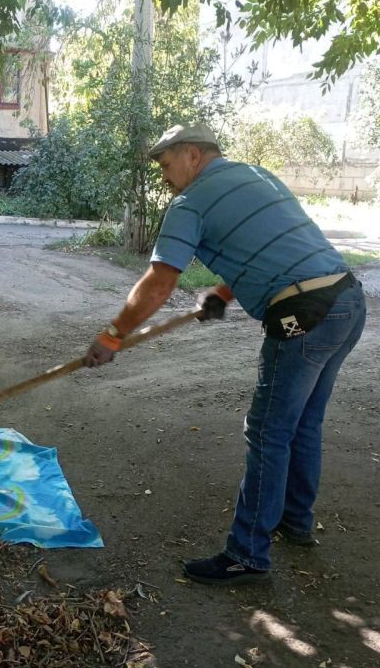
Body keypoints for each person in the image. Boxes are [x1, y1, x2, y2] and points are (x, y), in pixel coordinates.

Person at [85, 122, 366, 586]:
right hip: (346, 301)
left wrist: (114, 335)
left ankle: (248, 553)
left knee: (268, 430)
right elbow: (269, 249)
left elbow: (159, 282)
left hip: (304, 314)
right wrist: (222, 292)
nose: (164, 174)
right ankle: (295, 521)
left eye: (166, 162)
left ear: (193, 155)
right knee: (303, 422)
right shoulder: (257, 176)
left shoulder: (190, 202)